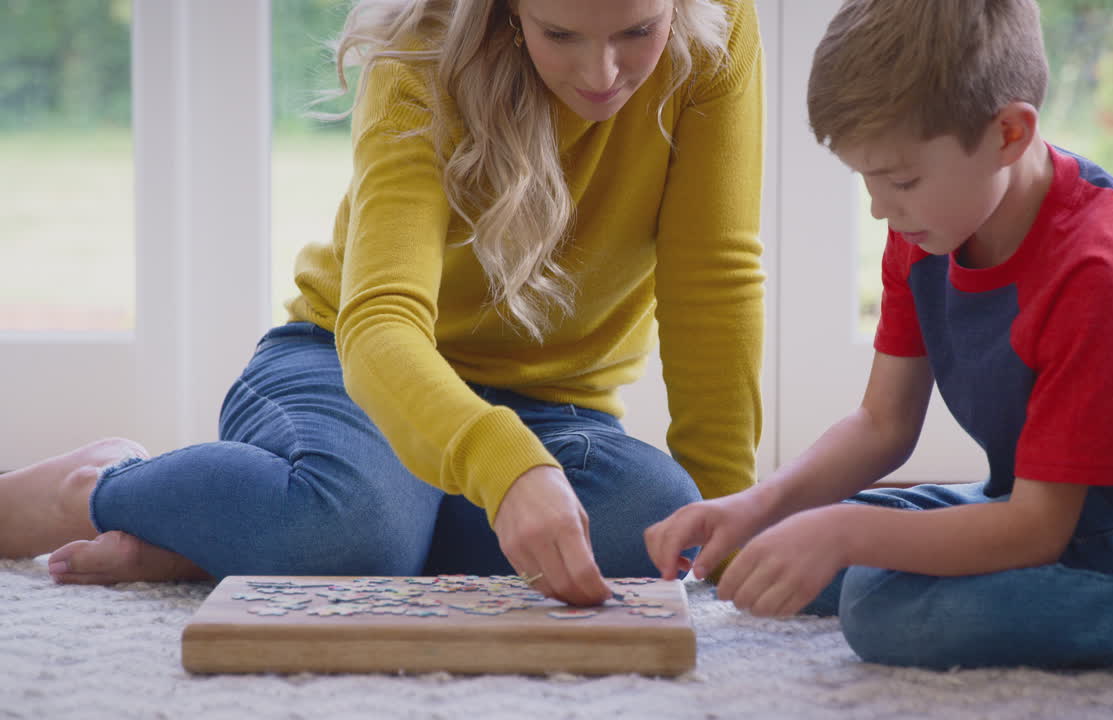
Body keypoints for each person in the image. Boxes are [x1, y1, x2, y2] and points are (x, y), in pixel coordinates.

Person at [0, 0, 765, 607]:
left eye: (638, 30)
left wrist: (730, 514)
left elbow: (714, 282)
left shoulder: (719, 31)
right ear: (505, 9)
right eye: (560, 32)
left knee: (662, 517)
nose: (602, 72)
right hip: (345, 364)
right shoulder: (422, 50)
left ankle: (232, 536)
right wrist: (502, 470)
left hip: (552, 407)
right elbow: (381, 325)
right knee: (357, 532)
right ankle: (101, 485)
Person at [646, 0, 1113, 676]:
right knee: (788, 544)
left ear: (1009, 132)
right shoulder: (929, 224)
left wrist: (846, 532)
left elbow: (1037, 530)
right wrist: (754, 505)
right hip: (1052, 498)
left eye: (900, 179)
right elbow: (882, 423)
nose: (879, 206)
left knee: (886, 604)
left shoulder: (1102, 273)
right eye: (866, 177)